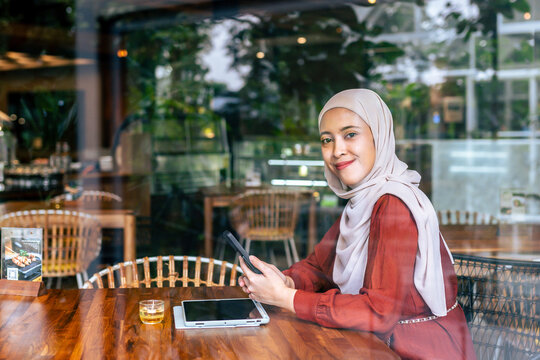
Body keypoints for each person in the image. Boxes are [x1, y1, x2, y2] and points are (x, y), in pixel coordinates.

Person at [238, 89, 476, 359]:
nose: (337, 150)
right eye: (327, 140)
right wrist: (287, 280)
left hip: (415, 350)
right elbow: (319, 266)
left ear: (379, 136)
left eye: (350, 134)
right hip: (374, 345)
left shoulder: (393, 205)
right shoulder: (363, 202)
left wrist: (286, 299)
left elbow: (379, 312)